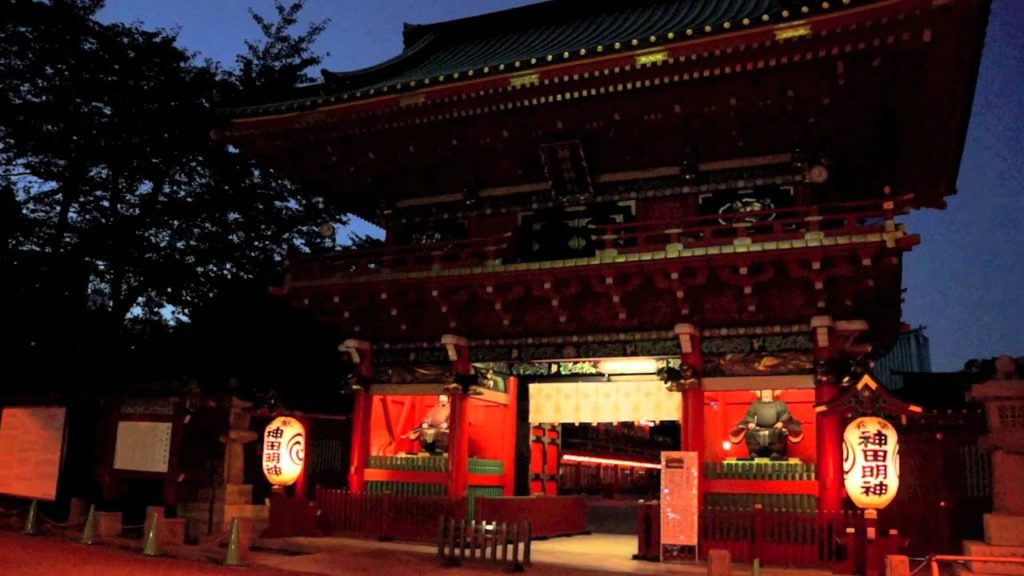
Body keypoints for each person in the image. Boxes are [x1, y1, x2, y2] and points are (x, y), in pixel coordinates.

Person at [728, 390, 803, 460]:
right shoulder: (755, 404)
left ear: (773, 393)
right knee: (750, 433)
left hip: (774, 428)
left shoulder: (779, 404)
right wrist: (751, 422)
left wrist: (781, 422)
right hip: (758, 429)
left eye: (768, 392)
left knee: (778, 433)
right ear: (760, 393)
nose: (766, 394)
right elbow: (749, 415)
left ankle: (776, 452)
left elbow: (785, 415)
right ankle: (755, 452)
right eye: (764, 392)